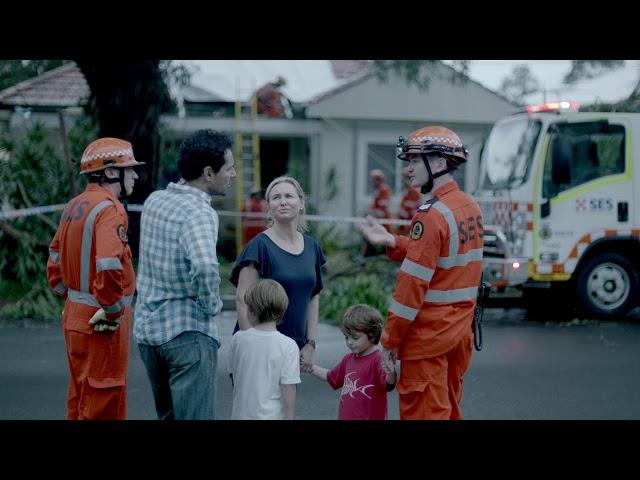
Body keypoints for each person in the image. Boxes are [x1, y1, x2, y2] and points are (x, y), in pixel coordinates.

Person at [357, 126, 483, 420]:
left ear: (439, 163)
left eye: (414, 161)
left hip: (427, 340)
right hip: (458, 334)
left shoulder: (431, 214)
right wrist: (392, 240)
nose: (408, 170)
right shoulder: (469, 207)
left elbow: (410, 290)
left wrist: (389, 341)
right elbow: (442, 256)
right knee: (449, 411)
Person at [134, 129, 236, 420]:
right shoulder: (200, 213)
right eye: (229, 169)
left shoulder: (155, 200)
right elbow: (205, 267)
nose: (234, 174)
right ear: (208, 173)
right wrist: (211, 305)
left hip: (149, 333)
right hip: (187, 335)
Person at [47, 137, 143, 420]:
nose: (135, 175)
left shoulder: (75, 205)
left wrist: (75, 297)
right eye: (130, 168)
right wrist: (112, 311)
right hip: (101, 322)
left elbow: (54, 261)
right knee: (103, 401)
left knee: (80, 397)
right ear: (111, 172)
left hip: (77, 316)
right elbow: (109, 264)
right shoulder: (111, 209)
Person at [230, 175, 325, 372]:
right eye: (276, 197)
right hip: (259, 349)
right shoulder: (259, 246)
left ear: (301, 203)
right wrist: (253, 347)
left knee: (288, 403)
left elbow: (313, 296)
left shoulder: (311, 247)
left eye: (289, 196)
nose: (282, 201)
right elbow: (242, 299)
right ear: (268, 207)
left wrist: (310, 343)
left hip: (293, 349)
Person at [302, 304, 396, 420]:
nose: (350, 342)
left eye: (355, 338)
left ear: (372, 336)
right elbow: (331, 376)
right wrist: (310, 367)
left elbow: (388, 384)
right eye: (347, 337)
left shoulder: (377, 359)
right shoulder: (348, 359)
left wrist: (391, 372)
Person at [229, 279, 300, 420]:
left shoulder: (238, 339)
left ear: (252, 310)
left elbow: (234, 374)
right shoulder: (288, 345)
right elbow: (288, 387)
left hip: (240, 415)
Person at [360, 168, 392, 257]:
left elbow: (382, 208)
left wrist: (370, 213)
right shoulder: (378, 190)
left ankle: (367, 258)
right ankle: (367, 258)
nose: (371, 181)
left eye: (373, 179)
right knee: (369, 238)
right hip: (377, 220)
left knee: (386, 240)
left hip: (383, 220)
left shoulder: (384, 189)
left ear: (378, 179)